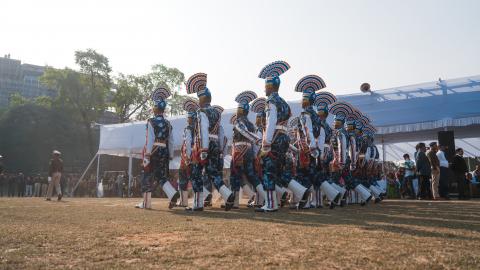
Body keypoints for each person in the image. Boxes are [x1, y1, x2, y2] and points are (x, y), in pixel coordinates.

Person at [186, 73, 234, 211]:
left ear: (202, 98)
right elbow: (220, 132)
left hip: (203, 145)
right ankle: (227, 193)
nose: (198, 102)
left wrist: (204, 149)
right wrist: (219, 149)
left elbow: (203, 131)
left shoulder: (201, 112)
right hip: (215, 144)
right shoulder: (216, 113)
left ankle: (198, 203)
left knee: (196, 173)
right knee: (213, 173)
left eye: (199, 98)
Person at [136, 87, 179, 210]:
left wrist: (147, 155)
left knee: (146, 174)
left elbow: (150, 139)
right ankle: (172, 193)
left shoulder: (151, 121)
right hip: (164, 151)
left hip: (153, 151)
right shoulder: (168, 124)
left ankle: (146, 203)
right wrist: (170, 154)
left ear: (155, 108)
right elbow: (171, 141)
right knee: (161, 176)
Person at [257, 61, 292, 212]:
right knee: (278, 171)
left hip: (275, 138)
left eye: (266, 85)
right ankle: (278, 200)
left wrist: (266, 143)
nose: (264, 88)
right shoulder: (284, 102)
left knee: (269, 171)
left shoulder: (271, 101)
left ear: (271, 86)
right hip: (284, 137)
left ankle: (271, 204)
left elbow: (270, 123)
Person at [177, 98, 199, 208]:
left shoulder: (188, 129)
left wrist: (188, 157)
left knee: (183, 176)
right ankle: (200, 198)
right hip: (196, 154)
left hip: (188, 155)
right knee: (195, 177)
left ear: (191, 119)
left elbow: (188, 142)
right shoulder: (197, 129)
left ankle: (183, 201)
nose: (187, 120)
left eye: (188, 118)